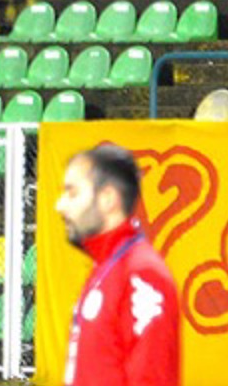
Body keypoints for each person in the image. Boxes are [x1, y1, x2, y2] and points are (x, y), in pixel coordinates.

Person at [55, 143, 179, 386]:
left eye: (72, 193)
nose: (60, 206)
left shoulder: (142, 274)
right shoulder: (107, 266)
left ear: (107, 199)